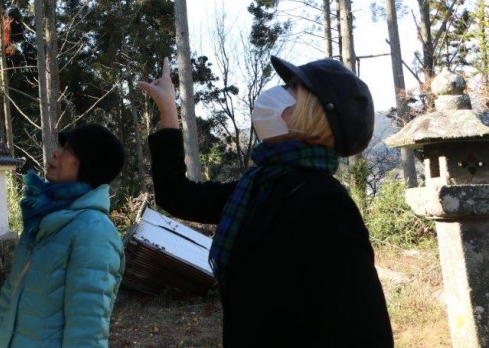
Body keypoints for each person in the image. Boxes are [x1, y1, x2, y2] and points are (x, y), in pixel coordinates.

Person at [138, 56, 394, 347]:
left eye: (294, 88)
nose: (279, 93)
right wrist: (168, 110)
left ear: (316, 113)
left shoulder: (324, 202)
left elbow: (364, 332)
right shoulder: (259, 185)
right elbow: (178, 197)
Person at [0, 123, 126, 348]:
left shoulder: (94, 232)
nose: (56, 152)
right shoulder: (42, 220)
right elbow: (8, 300)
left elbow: (86, 333)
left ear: (89, 166)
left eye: (69, 150)